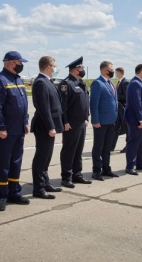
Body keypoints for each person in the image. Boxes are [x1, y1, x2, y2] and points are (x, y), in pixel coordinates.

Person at [0, 51, 31, 211]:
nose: (22, 66)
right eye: (21, 63)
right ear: (13, 62)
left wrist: (25, 122)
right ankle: (0, 196)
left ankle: (14, 193)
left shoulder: (17, 79)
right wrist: (1, 127)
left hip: (18, 129)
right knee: (3, 164)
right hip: (5, 131)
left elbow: (24, 104)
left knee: (15, 162)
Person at [31, 56, 64, 199]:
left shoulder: (47, 81)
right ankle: (38, 188)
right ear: (47, 66)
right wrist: (51, 127)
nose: (55, 68)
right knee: (41, 157)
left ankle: (45, 183)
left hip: (50, 126)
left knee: (47, 157)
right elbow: (44, 108)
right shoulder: (41, 83)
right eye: (54, 65)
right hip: (44, 126)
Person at [58, 57, 92, 188]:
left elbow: (84, 102)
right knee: (69, 150)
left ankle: (77, 174)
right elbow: (63, 106)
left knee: (79, 150)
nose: (83, 70)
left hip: (81, 123)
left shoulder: (81, 83)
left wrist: (86, 117)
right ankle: (66, 177)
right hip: (71, 123)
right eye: (81, 68)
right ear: (76, 69)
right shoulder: (66, 84)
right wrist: (65, 122)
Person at [89, 61, 119, 181]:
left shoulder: (111, 83)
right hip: (101, 122)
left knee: (107, 147)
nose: (113, 71)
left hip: (111, 121)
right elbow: (94, 104)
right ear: (105, 70)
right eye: (111, 69)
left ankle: (106, 168)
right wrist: (95, 120)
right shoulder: (97, 83)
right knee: (98, 147)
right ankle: (96, 171)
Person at [114, 67, 129, 153]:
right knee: (117, 127)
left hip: (123, 108)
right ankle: (111, 145)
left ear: (119, 73)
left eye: (116, 73)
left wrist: (115, 97)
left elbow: (126, 96)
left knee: (126, 128)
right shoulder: (120, 82)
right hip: (119, 108)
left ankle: (128, 145)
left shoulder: (125, 82)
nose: (115, 74)